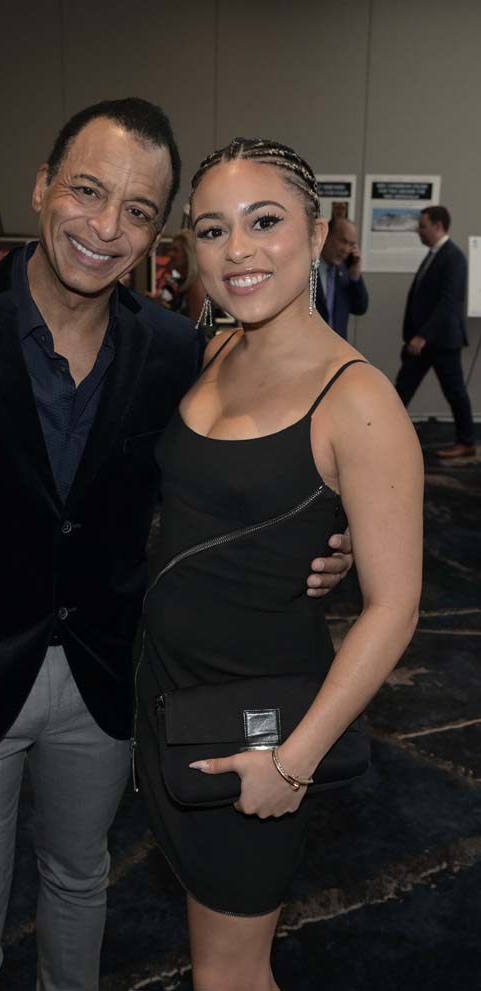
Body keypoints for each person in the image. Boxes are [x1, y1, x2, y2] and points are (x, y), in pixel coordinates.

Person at [0, 101, 353, 991]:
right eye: (87, 191)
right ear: (43, 186)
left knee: (81, 883)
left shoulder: (171, 348)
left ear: (157, 232)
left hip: (105, 675)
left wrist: (324, 537)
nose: (105, 228)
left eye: (138, 211)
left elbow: (226, 475)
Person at [135, 138, 423, 991]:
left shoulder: (359, 399)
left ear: (317, 228)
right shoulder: (216, 345)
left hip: (253, 727)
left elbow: (396, 606)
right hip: (165, 692)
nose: (239, 252)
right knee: (206, 947)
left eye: (265, 222)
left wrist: (293, 762)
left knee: (229, 973)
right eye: (213, 230)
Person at [394, 206, 475, 458]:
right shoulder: (435, 255)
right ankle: (382, 434)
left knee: (455, 391)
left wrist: (423, 336)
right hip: (424, 340)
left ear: (438, 226)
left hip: (440, 341)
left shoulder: (454, 257)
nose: (419, 229)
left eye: (423, 225)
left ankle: (467, 441)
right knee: (401, 390)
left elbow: (448, 302)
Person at [315, 215, 368, 340]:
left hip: (337, 350)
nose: (346, 249)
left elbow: (360, 307)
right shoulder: (304, 269)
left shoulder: (345, 271)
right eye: (343, 241)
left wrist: (355, 276)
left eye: (351, 244)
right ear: (325, 237)